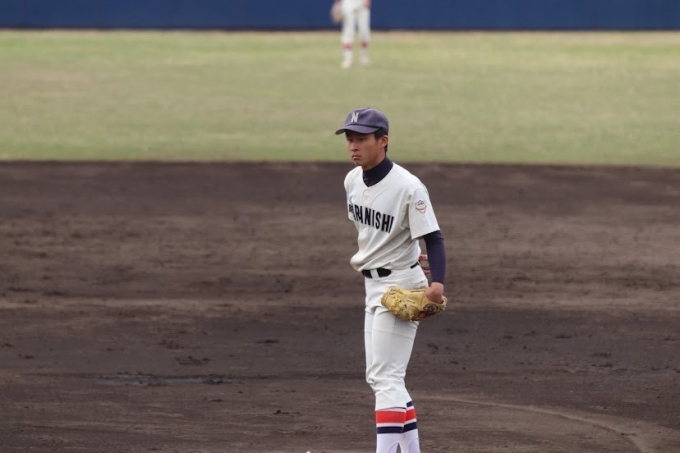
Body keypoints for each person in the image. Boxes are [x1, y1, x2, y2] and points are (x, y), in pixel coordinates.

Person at [334, 107, 447, 453]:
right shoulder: (352, 181)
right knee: (382, 377)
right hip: (373, 286)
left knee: (386, 379)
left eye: (362, 139)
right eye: (350, 138)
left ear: (383, 141)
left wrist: (437, 285)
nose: (353, 146)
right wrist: (405, 252)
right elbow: (379, 235)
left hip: (402, 286)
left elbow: (434, 237)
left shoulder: (409, 187)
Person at [333, 0, 371, 68]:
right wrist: (337, 2)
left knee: (364, 31)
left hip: (362, 2)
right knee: (348, 31)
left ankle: (364, 56)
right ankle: (347, 58)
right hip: (348, 2)